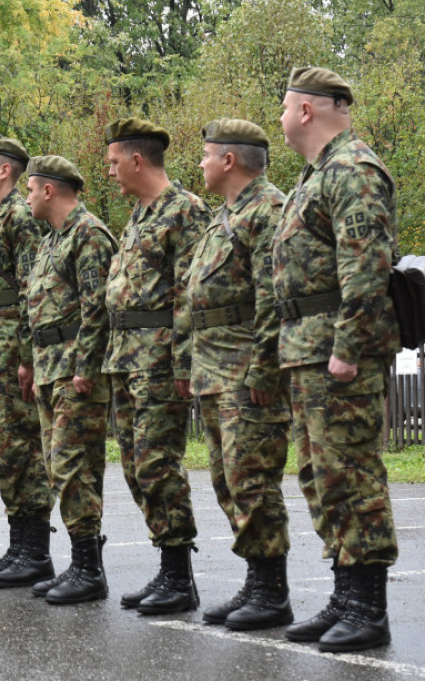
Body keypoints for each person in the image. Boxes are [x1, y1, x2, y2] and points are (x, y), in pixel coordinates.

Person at [274, 67, 399, 652]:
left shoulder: (352, 169)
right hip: (307, 350)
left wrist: (349, 351)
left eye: (284, 107)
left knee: (352, 476)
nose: (279, 119)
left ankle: (368, 608)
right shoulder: (315, 175)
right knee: (322, 479)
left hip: (336, 354)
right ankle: (346, 594)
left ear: (306, 110)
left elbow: (368, 269)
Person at [184, 120, 292, 630]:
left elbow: (273, 296)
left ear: (230, 161)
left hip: (246, 365)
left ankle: (271, 591)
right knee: (227, 479)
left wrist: (264, 368)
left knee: (252, 478)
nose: (200, 164)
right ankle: (257, 580)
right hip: (214, 367)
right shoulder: (224, 216)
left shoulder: (268, 211)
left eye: (206, 155)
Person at [102, 117, 210, 614]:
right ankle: (166, 568)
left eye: (113, 163)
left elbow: (191, 292)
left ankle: (178, 576)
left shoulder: (184, 211)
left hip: (160, 358)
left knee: (157, 463)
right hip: (127, 357)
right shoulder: (139, 215)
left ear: (136, 160)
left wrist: (185, 364)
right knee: (133, 464)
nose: (109, 173)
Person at [23, 155, 116, 604]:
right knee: (60, 469)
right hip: (50, 367)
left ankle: (89, 570)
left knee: (74, 468)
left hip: (75, 370)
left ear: (48, 190)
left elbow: (97, 308)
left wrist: (86, 366)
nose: (25, 197)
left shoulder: (88, 235)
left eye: (28, 188)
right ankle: (81, 562)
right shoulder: (51, 241)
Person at [0, 133, 55, 588]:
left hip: (7, 355)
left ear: (5, 171)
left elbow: (31, 290)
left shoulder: (19, 218)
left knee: (20, 449)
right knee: (0, 452)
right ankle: (19, 546)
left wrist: (26, 355)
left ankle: (35, 551)